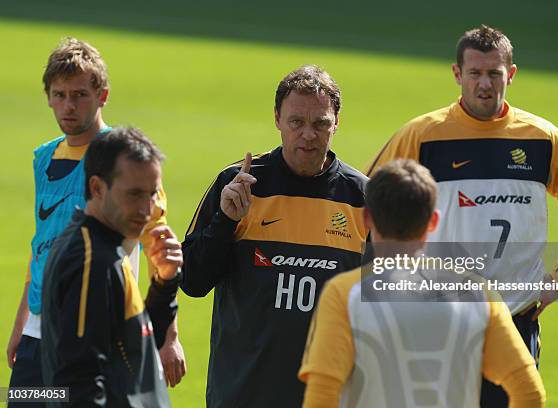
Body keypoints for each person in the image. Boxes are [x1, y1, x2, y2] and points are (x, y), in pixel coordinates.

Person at [365, 25, 558, 406]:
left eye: (494, 73)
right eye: (475, 73)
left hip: (514, 321)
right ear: (457, 75)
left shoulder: (542, 139)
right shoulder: (423, 135)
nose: (485, 84)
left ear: (510, 75)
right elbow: (367, 198)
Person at [6, 38, 186, 398]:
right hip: (41, 331)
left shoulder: (127, 159)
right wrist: (22, 322)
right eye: (59, 95)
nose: (67, 106)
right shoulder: (44, 158)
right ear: (47, 97)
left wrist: (170, 337)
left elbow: (160, 243)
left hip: (101, 324)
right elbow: (41, 242)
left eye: (79, 95)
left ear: (102, 95)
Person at [181, 65, 369, 407]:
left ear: (336, 122)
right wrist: (224, 221)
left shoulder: (363, 198)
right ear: (277, 119)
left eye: (320, 123)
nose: (308, 135)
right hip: (242, 395)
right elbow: (192, 281)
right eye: (296, 122)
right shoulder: (237, 185)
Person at [299, 159, 546, 407]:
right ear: (433, 222)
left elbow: (322, 396)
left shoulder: (344, 293)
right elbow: (529, 392)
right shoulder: (478, 293)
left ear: (367, 219)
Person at [41, 127, 182, 406]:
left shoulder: (109, 246)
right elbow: (79, 384)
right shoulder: (91, 261)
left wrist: (165, 283)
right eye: (134, 194)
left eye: (152, 194)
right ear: (97, 188)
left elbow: (133, 348)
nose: (147, 209)